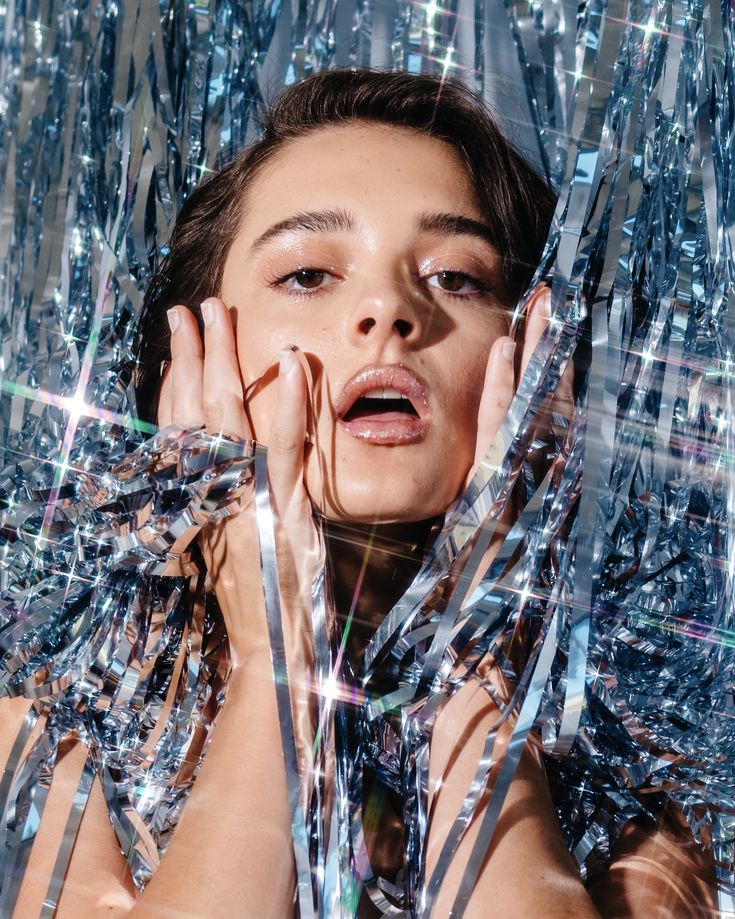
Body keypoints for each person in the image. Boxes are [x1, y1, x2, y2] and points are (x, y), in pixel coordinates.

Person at [0, 69, 717, 918]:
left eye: (457, 277)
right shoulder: (52, 730)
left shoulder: (652, 795)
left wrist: (476, 641)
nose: (388, 308)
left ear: (537, 367)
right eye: (306, 274)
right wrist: (276, 656)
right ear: (190, 363)